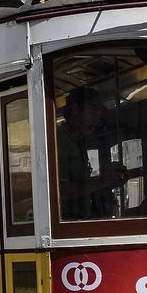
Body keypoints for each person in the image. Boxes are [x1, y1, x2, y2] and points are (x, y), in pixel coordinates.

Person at [57, 86, 127, 220]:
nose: (97, 118)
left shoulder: (78, 143)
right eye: (93, 110)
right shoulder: (60, 141)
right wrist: (101, 181)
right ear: (76, 109)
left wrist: (108, 182)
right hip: (66, 224)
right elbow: (59, 192)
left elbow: (81, 190)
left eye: (99, 112)